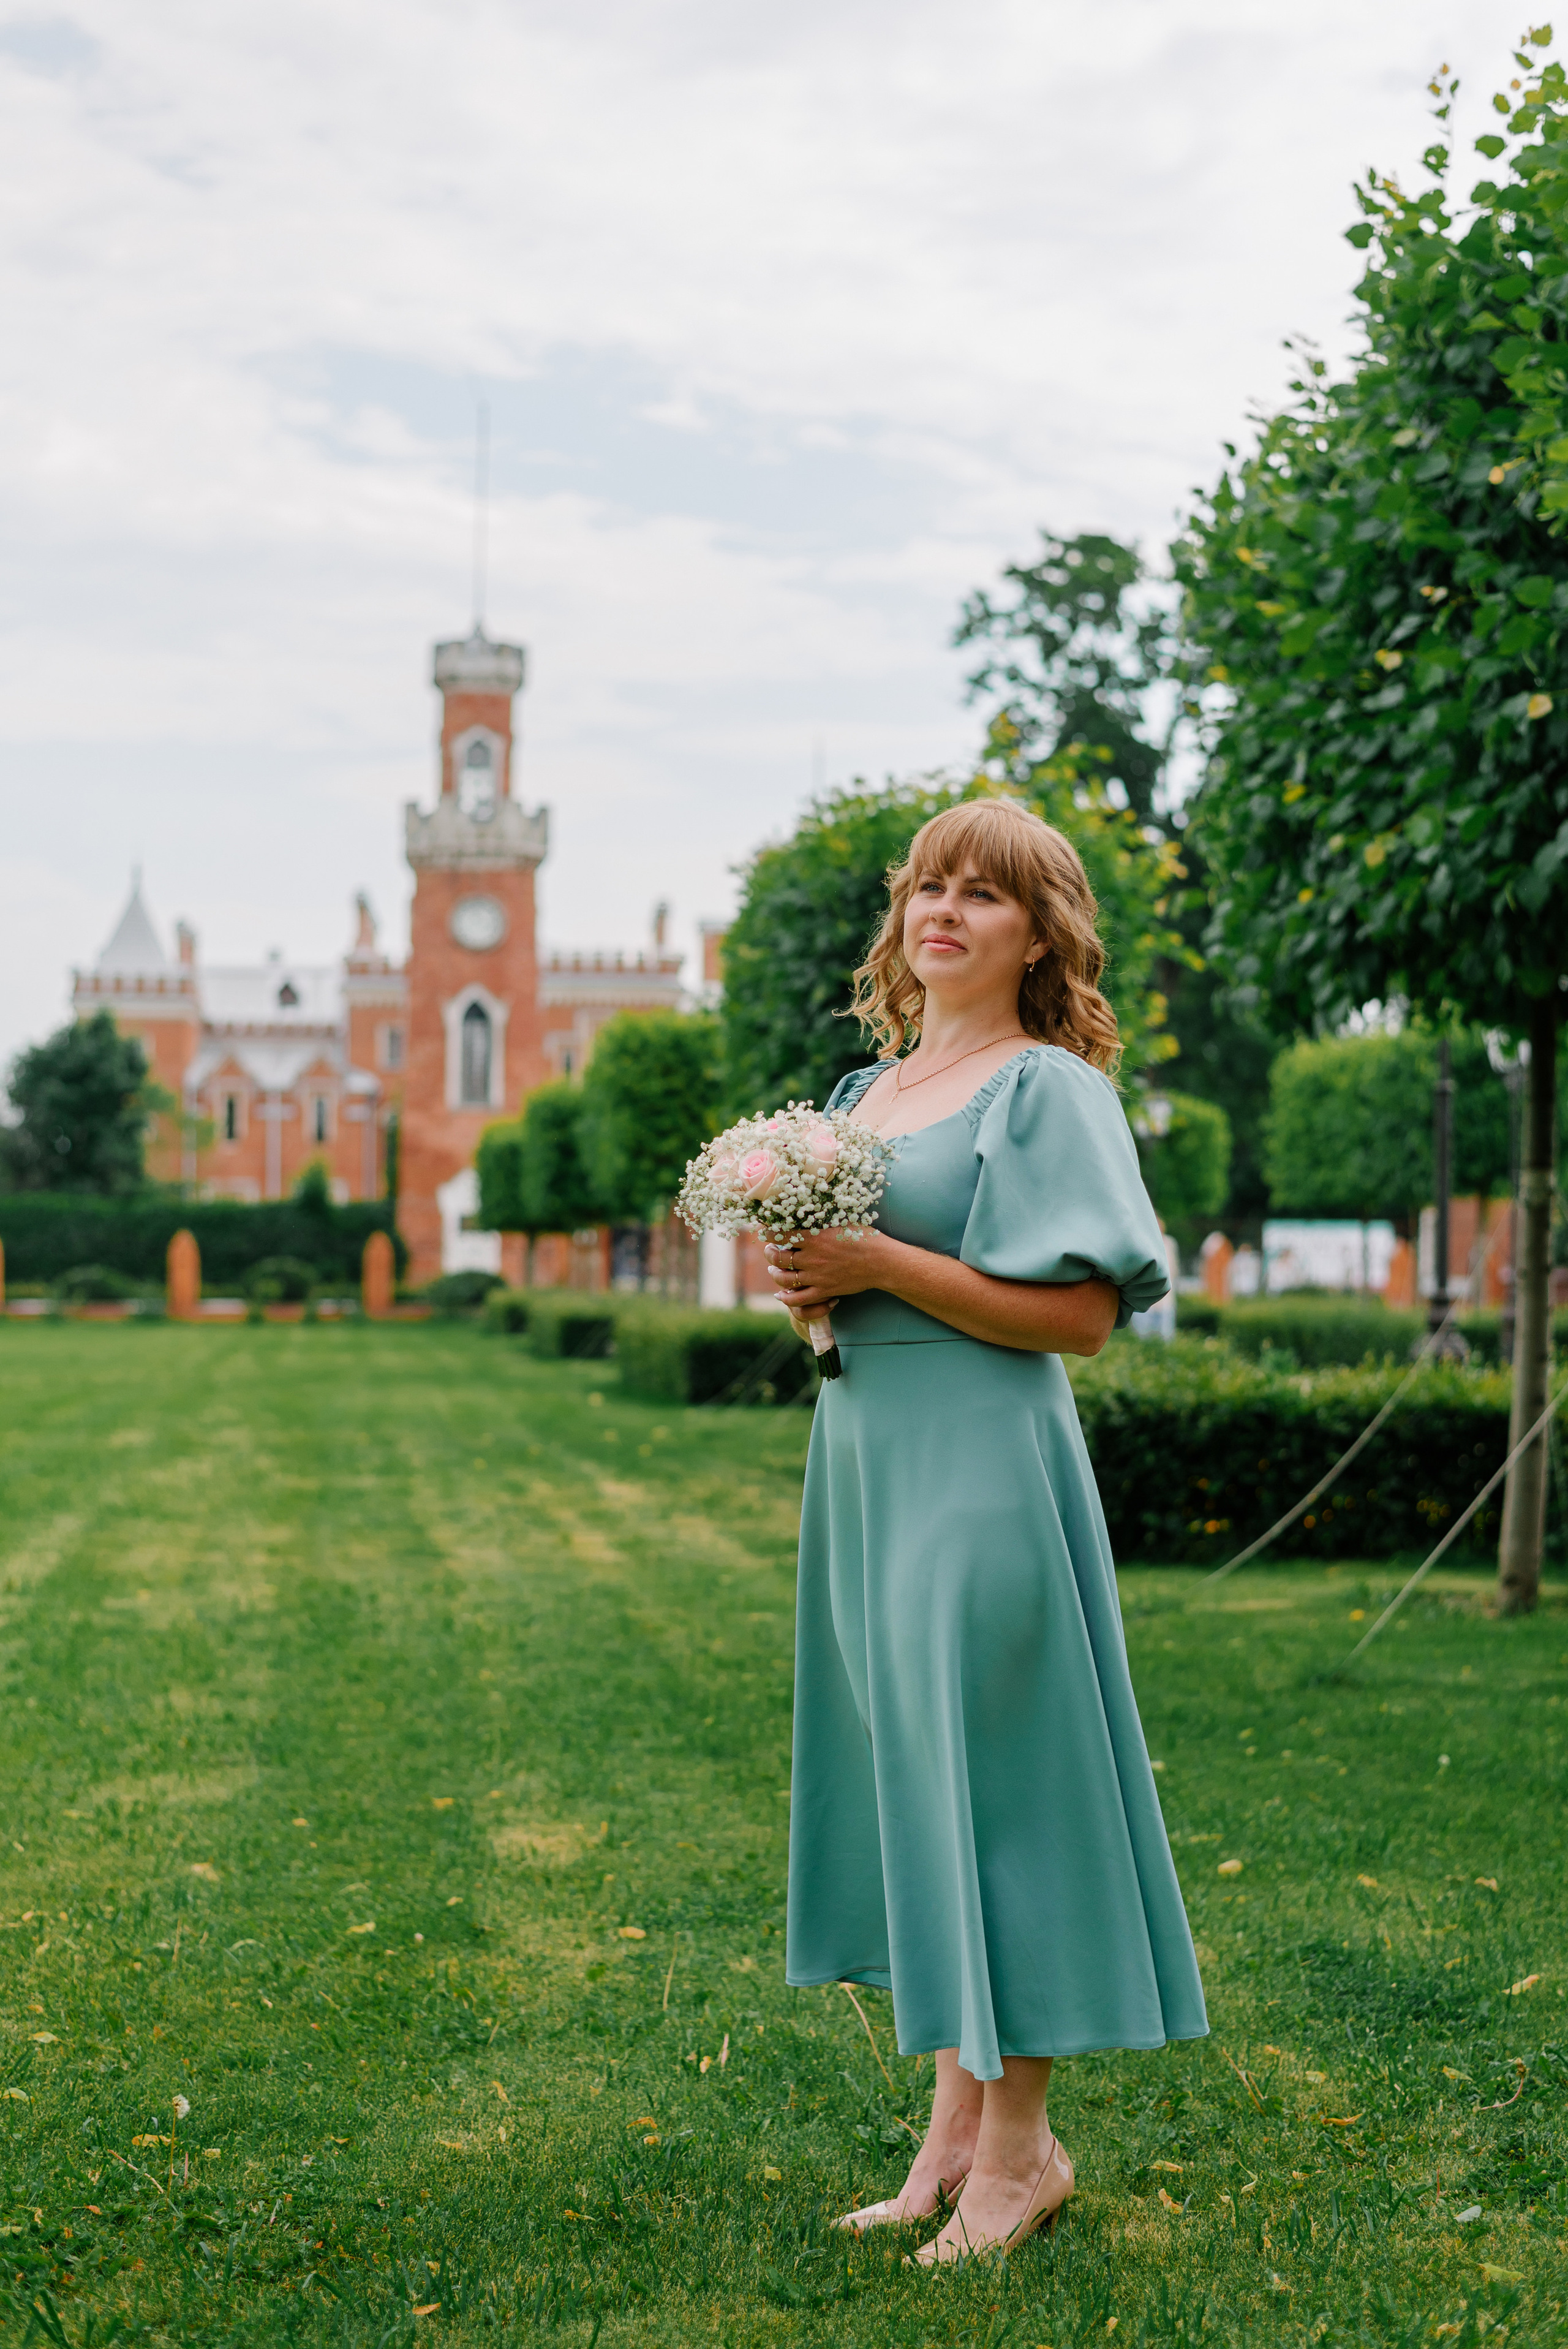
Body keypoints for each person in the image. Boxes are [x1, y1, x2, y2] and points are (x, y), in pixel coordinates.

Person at [766, 797, 1207, 2266]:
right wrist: (814, 1288)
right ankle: (950, 2137)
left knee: (999, 1790)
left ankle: (1022, 2155)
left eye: (984, 894)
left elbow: (1081, 1316)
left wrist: (873, 1257)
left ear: (1038, 935)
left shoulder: (1046, 1092)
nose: (943, 911)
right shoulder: (856, 1096)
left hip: (982, 1470)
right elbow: (853, 1283)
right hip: (868, 1464)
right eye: (927, 887)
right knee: (922, 1779)